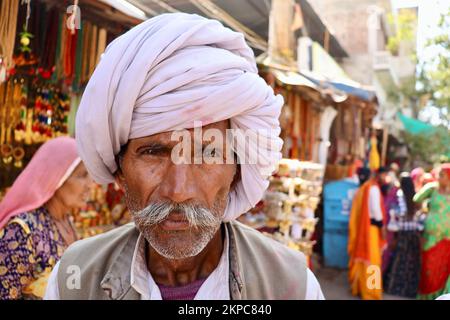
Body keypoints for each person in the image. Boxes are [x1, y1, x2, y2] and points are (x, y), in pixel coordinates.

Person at [44, 13, 324, 300]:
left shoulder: (294, 287)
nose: (178, 191)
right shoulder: (73, 281)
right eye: (154, 153)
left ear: (237, 169)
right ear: (119, 170)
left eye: (207, 153)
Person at [0, 137, 92, 299]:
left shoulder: (66, 222)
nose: (90, 185)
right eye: (81, 176)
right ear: (56, 178)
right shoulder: (24, 230)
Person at [348, 167, 388, 300]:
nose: (385, 178)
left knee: (364, 260)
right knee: (373, 261)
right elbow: (376, 211)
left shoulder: (363, 188)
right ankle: (371, 294)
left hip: (363, 229)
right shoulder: (374, 188)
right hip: (371, 229)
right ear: (377, 175)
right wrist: (382, 227)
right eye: (384, 175)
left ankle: (359, 288)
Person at [414, 164, 450, 299]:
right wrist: (425, 206)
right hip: (430, 239)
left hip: (447, 239)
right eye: (438, 174)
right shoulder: (432, 189)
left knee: (443, 271)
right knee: (428, 271)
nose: (438, 177)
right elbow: (416, 199)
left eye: (442, 175)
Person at [383, 174, 422, 298]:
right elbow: (419, 216)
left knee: (399, 262)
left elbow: (398, 213)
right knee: (411, 263)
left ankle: (395, 288)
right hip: (414, 234)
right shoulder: (415, 197)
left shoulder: (400, 195)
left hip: (403, 234)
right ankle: (409, 291)